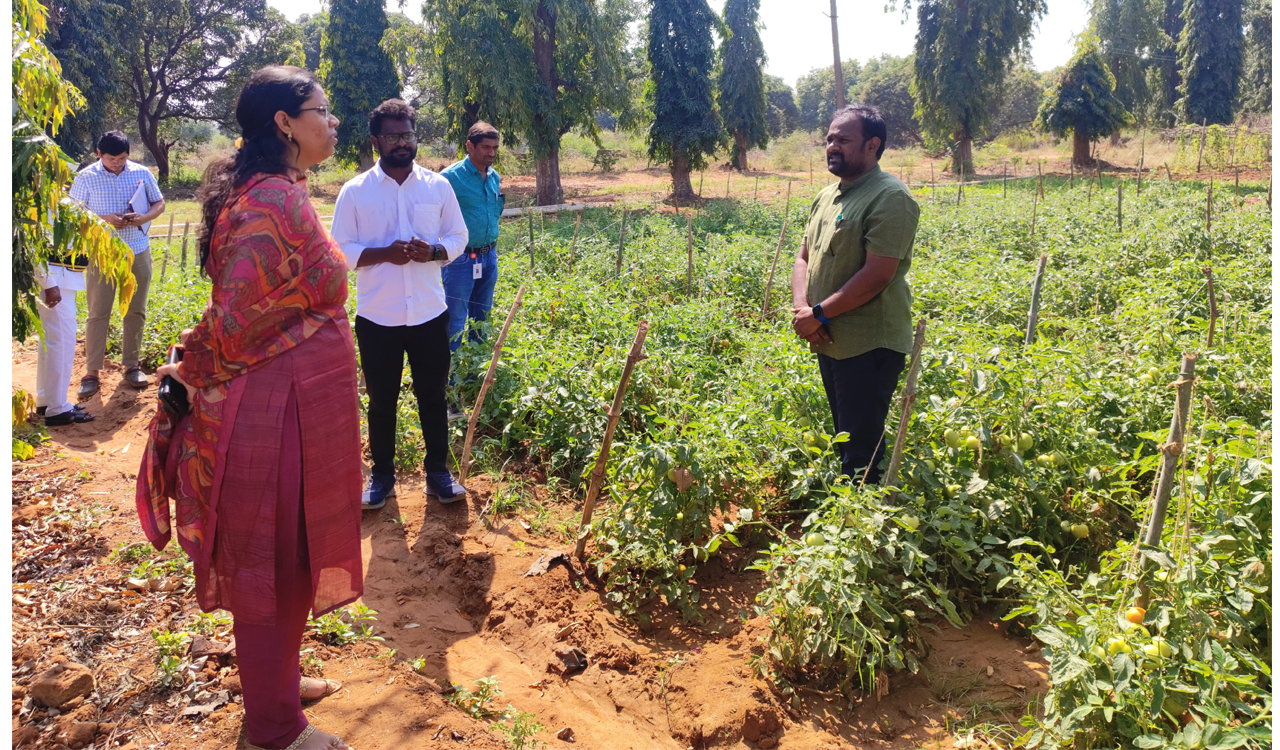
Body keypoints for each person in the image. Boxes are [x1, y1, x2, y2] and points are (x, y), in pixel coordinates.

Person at [136, 66, 362, 750]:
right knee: (275, 562)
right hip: (273, 410)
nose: (333, 123)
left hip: (294, 405)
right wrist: (197, 363)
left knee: (292, 554)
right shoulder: (270, 202)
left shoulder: (277, 192)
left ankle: (277, 685)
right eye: (322, 111)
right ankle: (273, 726)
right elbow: (238, 323)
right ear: (285, 123)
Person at [330, 99, 470, 511]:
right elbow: (340, 249)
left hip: (429, 312)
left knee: (433, 395)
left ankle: (438, 473)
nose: (402, 143)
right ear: (376, 141)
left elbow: (458, 236)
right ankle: (382, 476)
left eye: (408, 134)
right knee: (382, 399)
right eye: (393, 136)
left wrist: (435, 251)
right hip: (379, 317)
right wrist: (384, 254)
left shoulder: (437, 186)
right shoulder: (355, 191)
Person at [789, 104, 920, 485]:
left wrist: (819, 314)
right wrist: (803, 311)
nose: (832, 146)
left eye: (843, 140)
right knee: (844, 433)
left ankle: (863, 510)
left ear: (872, 145)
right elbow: (803, 257)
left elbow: (877, 276)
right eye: (829, 139)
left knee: (861, 446)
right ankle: (851, 503)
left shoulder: (890, 197)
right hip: (828, 334)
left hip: (868, 342)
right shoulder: (826, 196)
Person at [72, 130, 166, 398]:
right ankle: (92, 372)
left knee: (136, 310)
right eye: (112, 159)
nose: (117, 163)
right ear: (99, 154)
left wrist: (144, 217)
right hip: (102, 255)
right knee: (98, 312)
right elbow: (73, 214)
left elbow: (159, 203)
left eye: (122, 158)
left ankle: (131, 365)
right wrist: (105, 219)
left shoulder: (141, 173)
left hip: (137, 250)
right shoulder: (85, 177)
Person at [440, 122, 503, 361]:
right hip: (461, 259)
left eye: (495, 147)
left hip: (489, 256)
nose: (491, 153)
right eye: (486, 147)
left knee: (482, 317)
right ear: (470, 146)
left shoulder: (494, 177)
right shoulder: (449, 178)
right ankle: (451, 372)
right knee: (455, 319)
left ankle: (476, 369)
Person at [34, 247, 94, 426]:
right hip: (55, 279)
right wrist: (48, 283)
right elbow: (33, 247)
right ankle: (57, 408)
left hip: (60, 279)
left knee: (51, 342)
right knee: (61, 344)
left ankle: (47, 401)